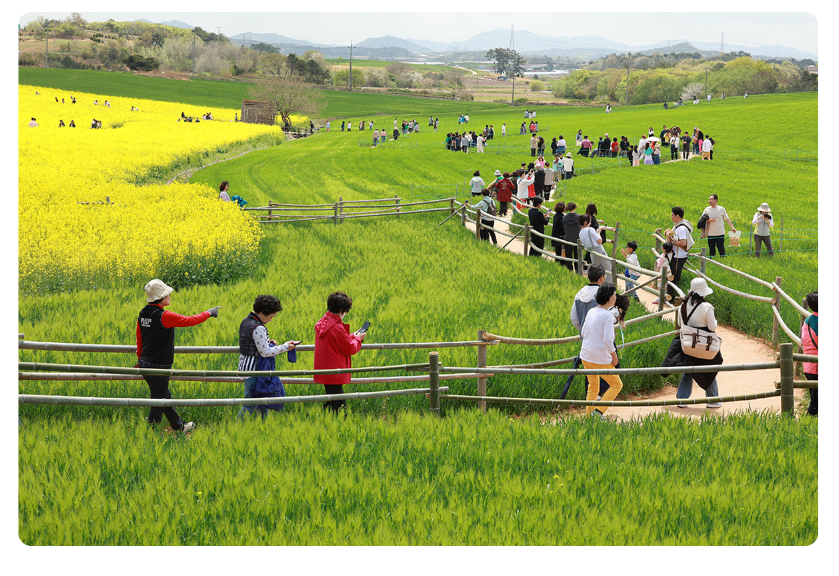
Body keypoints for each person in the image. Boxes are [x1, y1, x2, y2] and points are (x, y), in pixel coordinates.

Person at [136, 279, 219, 433]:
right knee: (159, 401)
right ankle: (150, 434)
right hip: (159, 366)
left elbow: (139, 337)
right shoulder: (164, 316)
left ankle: (179, 426)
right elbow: (190, 320)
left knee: (163, 395)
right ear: (161, 297)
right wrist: (209, 313)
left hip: (146, 363)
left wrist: (140, 358)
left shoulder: (143, 313)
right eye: (167, 293)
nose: (169, 295)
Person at [237, 295, 298, 420]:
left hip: (246, 367)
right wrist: (285, 347)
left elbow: (252, 343)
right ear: (262, 312)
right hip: (255, 370)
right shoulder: (258, 327)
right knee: (251, 404)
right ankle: (237, 426)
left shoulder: (246, 321)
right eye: (270, 317)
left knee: (264, 402)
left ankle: (264, 426)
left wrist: (267, 342)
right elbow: (265, 352)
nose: (270, 319)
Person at [668, 278, 723, 408]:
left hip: (688, 344)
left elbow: (681, 324)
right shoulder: (707, 307)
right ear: (703, 293)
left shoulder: (682, 305)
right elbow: (712, 327)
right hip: (705, 344)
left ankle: (682, 399)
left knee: (688, 370)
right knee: (710, 369)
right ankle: (713, 400)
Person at [313, 292, 367, 415]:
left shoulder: (324, 322)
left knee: (335, 401)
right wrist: (358, 338)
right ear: (341, 310)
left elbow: (338, 341)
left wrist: (353, 335)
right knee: (338, 404)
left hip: (326, 370)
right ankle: (326, 420)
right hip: (335, 371)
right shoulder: (336, 327)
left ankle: (326, 419)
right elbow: (350, 348)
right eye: (346, 312)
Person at [580, 284, 624, 419]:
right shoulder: (607, 316)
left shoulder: (591, 311)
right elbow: (608, 340)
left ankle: (589, 416)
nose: (616, 297)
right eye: (615, 295)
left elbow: (584, 332)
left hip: (586, 356)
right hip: (599, 358)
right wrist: (614, 357)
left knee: (593, 386)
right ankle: (598, 412)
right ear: (610, 298)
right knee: (617, 384)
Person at [664, 207, 694, 301]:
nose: (671, 217)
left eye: (672, 215)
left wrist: (671, 243)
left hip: (678, 256)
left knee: (673, 277)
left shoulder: (681, 228)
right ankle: (669, 297)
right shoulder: (677, 225)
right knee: (671, 276)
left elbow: (683, 243)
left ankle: (672, 298)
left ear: (677, 216)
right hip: (676, 255)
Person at [800, 291, 818, 416]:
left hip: (808, 366)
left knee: (815, 398)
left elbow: (803, 342)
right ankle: (807, 423)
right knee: (816, 402)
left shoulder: (807, 321)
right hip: (818, 368)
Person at [579, 214, 611, 281]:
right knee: (608, 269)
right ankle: (608, 286)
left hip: (592, 253)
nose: (590, 223)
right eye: (590, 222)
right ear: (585, 222)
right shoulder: (590, 229)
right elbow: (600, 241)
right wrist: (598, 233)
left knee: (597, 270)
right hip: (599, 251)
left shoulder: (580, 232)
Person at [562, 202, 581, 272]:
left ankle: (569, 270)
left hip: (567, 238)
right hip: (577, 239)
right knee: (577, 256)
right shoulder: (579, 217)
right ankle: (577, 271)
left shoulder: (564, 217)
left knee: (568, 256)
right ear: (575, 208)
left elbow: (564, 227)